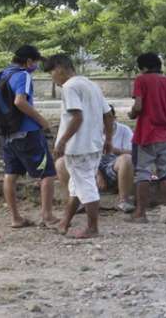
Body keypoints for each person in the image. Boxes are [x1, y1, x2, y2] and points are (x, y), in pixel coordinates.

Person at [44, 54, 114, 239]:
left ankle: (92, 227)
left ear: (59, 69)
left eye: (52, 74)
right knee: (78, 185)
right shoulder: (91, 84)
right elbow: (108, 115)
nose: (54, 79)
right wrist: (108, 139)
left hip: (78, 146)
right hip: (94, 144)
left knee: (86, 185)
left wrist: (61, 142)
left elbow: (77, 117)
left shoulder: (70, 86)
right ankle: (64, 223)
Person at [0, 45, 57, 229]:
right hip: (27, 132)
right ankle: (47, 216)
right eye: (35, 62)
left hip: (6, 133)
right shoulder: (23, 75)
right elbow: (20, 101)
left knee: (10, 174)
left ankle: (15, 218)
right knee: (47, 173)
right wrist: (43, 123)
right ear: (28, 61)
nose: (35, 66)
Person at [127, 52, 166, 223]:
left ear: (143, 67)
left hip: (146, 134)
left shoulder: (141, 80)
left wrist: (132, 114)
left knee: (143, 173)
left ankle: (140, 213)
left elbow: (138, 105)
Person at [55, 104, 135, 213]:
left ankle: (123, 200)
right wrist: (98, 174)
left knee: (127, 159)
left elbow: (134, 153)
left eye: (106, 119)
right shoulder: (87, 131)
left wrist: (114, 150)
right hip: (90, 167)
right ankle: (75, 202)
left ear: (113, 119)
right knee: (61, 163)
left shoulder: (124, 130)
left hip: (114, 166)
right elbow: (81, 156)